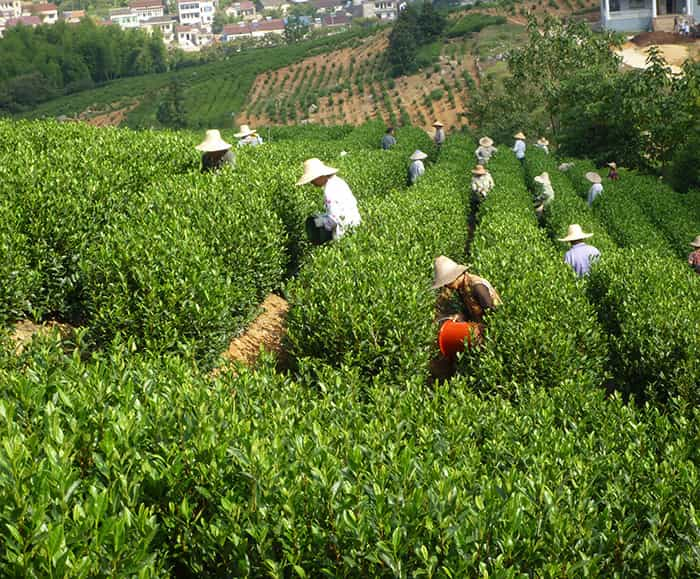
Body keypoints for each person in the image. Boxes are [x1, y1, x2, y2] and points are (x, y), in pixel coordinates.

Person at [297, 158, 361, 240]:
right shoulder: (338, 181)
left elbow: (334, 219)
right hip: (355, 225)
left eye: (312, 180)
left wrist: (318, 222)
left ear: (319, 176)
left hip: (344, 232)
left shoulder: (329, 191)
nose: (312, 183)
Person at [432, 255, 502, 324]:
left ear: (454, 277)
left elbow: (492, 314)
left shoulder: (478, 287)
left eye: (447, 282)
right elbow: (470, 308)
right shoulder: (461, 287)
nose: (446, 286)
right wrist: (462, 315)